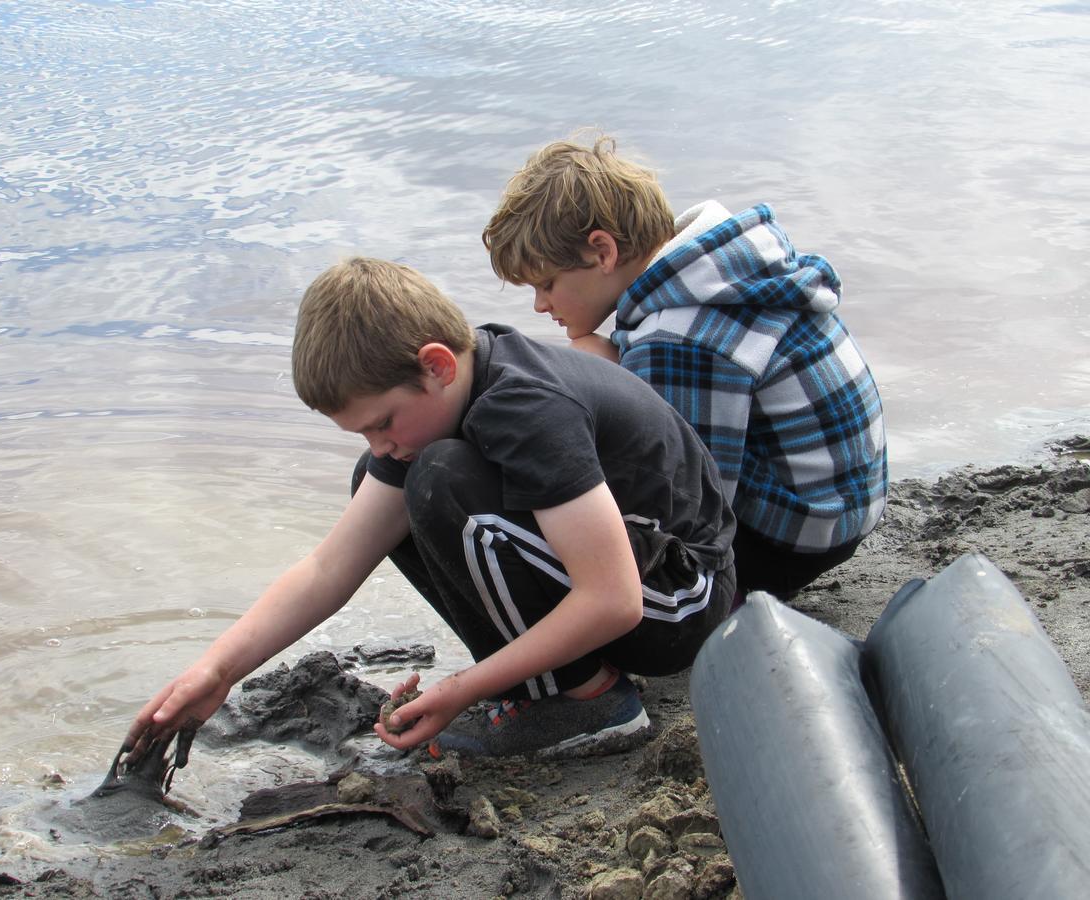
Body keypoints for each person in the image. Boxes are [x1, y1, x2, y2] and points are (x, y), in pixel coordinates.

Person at [124, 257, 735, 763]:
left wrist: (457, 691)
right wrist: (216, 669)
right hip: (634, 581)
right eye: (363, 431)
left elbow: (614, 599)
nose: (381, 443)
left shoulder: (523, 406)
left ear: (437, 365)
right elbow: (327, 569)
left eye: (383, 423)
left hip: (683, 602)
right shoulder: (453, 397)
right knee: (383, 481)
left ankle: (589, 701)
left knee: (438, 478)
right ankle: (541, 689)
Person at [482, 135, 887, 602]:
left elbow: (693, 507)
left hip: (794, 540)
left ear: (602, 252)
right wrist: (618, 370)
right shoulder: (718, 273)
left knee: (559, 509)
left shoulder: (678, 337)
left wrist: (605, 386)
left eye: (547, 283)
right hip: (841, 511)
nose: (540, 305)